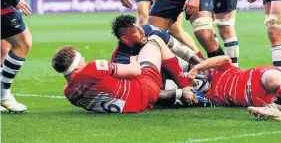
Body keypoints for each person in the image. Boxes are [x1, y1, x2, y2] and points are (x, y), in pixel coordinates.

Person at [52, 34, 198, 113]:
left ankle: (177, 89)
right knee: (155, 40)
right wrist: (133, 60)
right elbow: (135, 71)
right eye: (81, 57)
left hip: (135, 107)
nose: (84, 58)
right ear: (77, 63)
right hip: (147, 89)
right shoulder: (93, 67)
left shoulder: (68, 93)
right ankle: (186, 86)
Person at [187, 55, 281, 116]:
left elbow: (224, 58)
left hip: (256, 77)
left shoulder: (219, 69)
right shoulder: (209, 98)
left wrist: (197, 68)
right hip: (257, 99)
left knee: (276, 82)